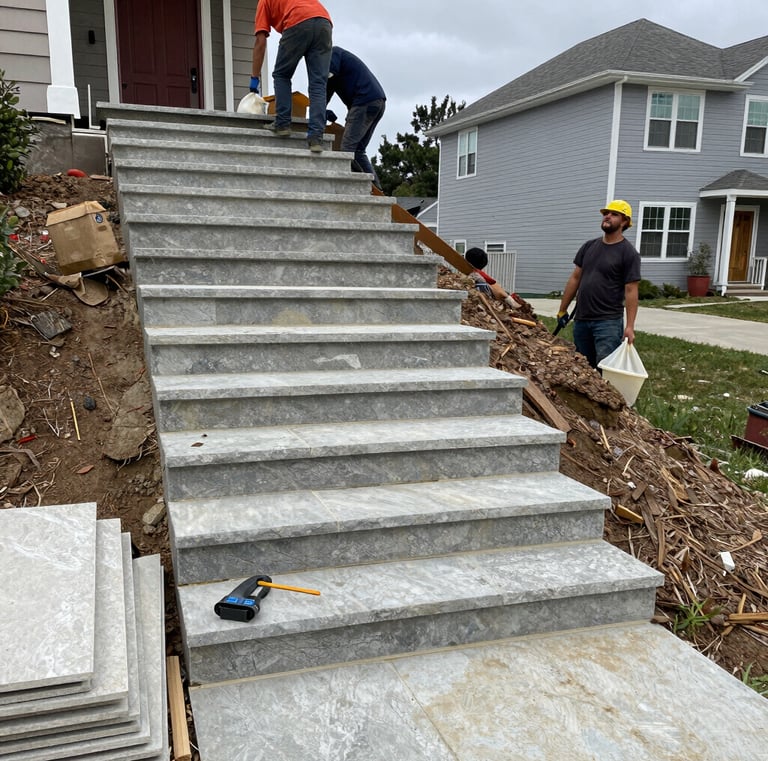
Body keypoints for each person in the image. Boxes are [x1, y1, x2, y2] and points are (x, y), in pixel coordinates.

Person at [557, 200, 641, 369]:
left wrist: (630, 326)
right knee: (583, 367)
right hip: (582, 319)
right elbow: (575, 278)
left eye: (614, 214)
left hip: (607, 322)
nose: (608, 216)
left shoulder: (628, 253)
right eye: (606, 213)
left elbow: (631, 290)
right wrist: (562, 309)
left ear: (624, 221)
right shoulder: (589, 246)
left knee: (606, 369)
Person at [250, 0, 332, 152]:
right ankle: (316, 137)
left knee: (281, 74)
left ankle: (282, 123)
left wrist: (254, 78)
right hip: (324, 21)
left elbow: (260, 42)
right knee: (318, 84)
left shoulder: (263, 2)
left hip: (298, 20)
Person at [324, 46, 386, 189]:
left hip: (364, 101)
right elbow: (324, 95)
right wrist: (321, 110)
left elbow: (326, 77)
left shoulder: (332, 53)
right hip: (377, 101)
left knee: (347, 149)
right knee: (358, 150)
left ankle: (360, 189)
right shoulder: (334, 71)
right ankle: (377, 190)